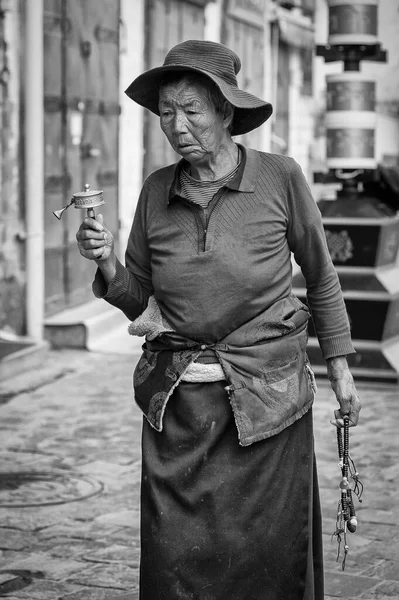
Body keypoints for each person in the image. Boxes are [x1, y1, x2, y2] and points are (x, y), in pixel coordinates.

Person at [76, 39, 361, 600]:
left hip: (269, 398)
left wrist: (341, 367)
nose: (177, 125)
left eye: (192, 110)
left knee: (269, 557)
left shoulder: (280, 177)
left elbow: (321, 274)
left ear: (226, 113)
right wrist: (106, 259)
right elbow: (140, 300)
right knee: (175, 559)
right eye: (166, 112)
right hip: (180, 403)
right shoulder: (159, 190)